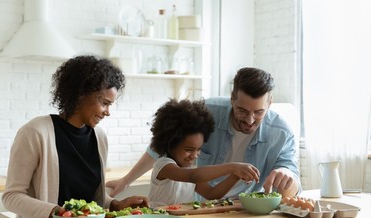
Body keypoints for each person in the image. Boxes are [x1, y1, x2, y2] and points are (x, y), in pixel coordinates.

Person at [107, 67, 301, 198]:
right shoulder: (207, 112)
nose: (249, 120)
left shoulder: (281, 132)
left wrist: (286, 176)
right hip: (199, 205)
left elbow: (292, 178)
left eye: (258, 112)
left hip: (243, 208)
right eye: (242, 111)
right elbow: (160, 145)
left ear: (270, 104)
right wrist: (125, 181)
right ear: (232, 99)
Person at [2, 55, 148, 218]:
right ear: (81, 95)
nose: (107, 112)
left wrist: (115, 205)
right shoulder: (35, 132)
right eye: (104, 103)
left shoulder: (99, 137)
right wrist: (58, 212)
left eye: (110, 105)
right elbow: (11, 196)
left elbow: (92, 199)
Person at [148, 99, 260, 206]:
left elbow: (212, 194)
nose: (195, 155)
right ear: (170, 144)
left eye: (199, 149)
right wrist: (232, 167)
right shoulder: (163, 165)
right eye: (188, 150)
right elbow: (193, 176)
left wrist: (235, 176)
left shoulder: (188, 171)